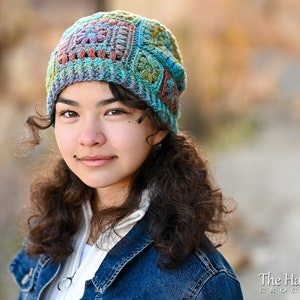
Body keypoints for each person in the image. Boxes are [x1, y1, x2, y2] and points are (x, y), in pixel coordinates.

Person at [9, 10, 243, 300]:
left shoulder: (197, 283)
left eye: (114, 111)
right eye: (70, 113)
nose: (89, 137)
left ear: (158, 126)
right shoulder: (48, 234)